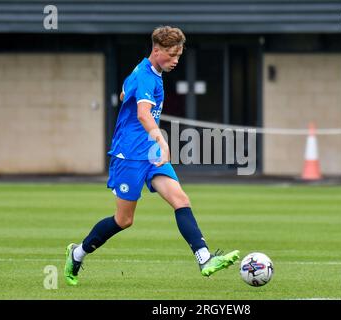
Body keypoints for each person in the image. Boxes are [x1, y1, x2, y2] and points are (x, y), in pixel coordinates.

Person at [64, 26, 239, 286]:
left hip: (150, 153)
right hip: (130, 155)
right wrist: (161, 139)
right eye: (171, 55)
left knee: (180, 199)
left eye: (179, 55)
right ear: (156, 50)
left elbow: (124, 92)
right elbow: (143, 114)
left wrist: (133, 104)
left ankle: (204, 258)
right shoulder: (146, 77)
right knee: (124, 220)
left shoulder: (146, 72)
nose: (176, 61)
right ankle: (77, 253)